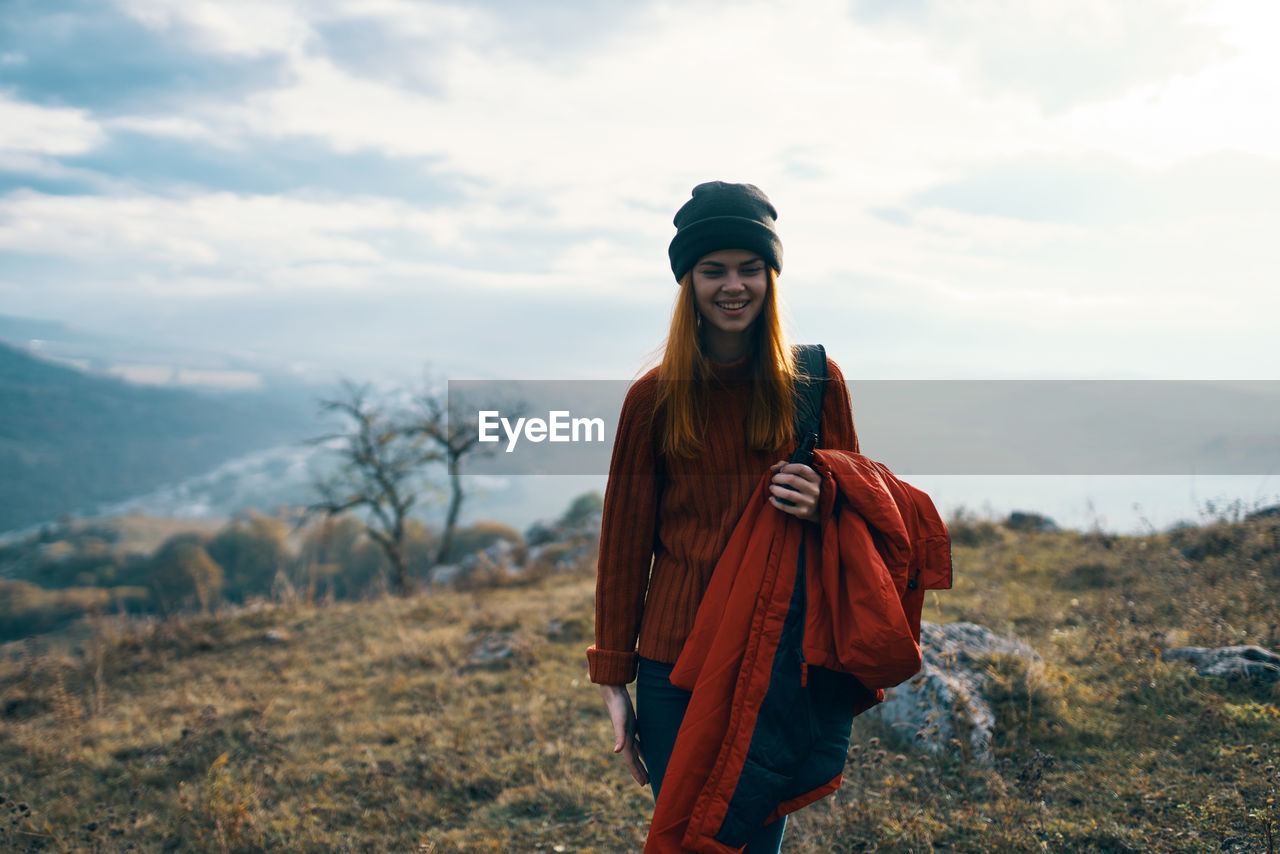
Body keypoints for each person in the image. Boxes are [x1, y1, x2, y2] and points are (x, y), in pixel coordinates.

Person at [586, 181, 861, 852]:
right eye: (713, 270)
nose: (732, 286)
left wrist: (830, 502)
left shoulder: (817, 385)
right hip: (673, 668)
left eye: (749, 268)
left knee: (751, 843)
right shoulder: (652, 399)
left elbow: (860, 523)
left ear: (771, 274)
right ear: (688, 281)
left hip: (776, 659)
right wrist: (614, 678)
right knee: (688, 838)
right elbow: (624, 548)